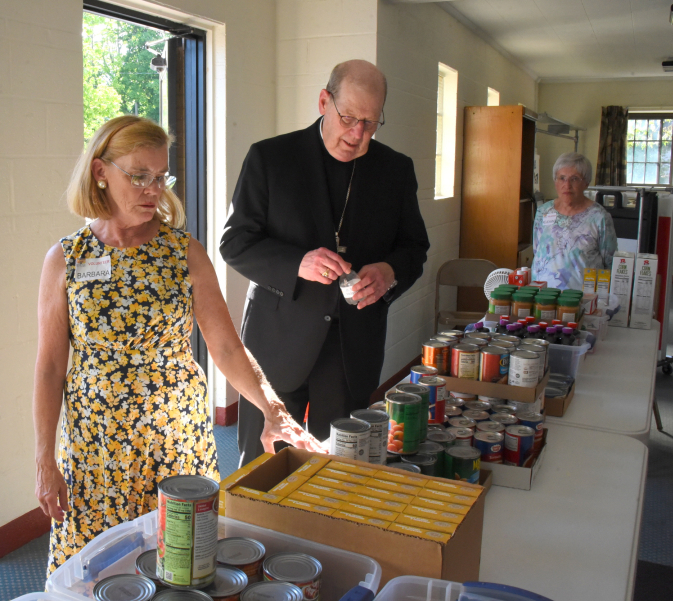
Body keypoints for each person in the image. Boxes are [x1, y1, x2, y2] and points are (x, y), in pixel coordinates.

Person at [33, 116, 323, 574]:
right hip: (97, 445)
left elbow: (226, 347)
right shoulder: (67, 259)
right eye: (139, 176)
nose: (153, 190)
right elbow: (50, 368)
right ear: (100, 172)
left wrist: (273, 411)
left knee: (183, 559)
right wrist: (44, 460)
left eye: (160, 176)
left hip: (175, 437)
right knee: (96, 570)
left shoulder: (182, 252)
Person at [220, 60, 430, 466]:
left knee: (340, 467)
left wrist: (389, 273)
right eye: (348, 118)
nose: (357, 134)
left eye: (370, 123)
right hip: (278, 339)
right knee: (264, 463)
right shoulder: (270, 158)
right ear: (323, 102)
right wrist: (297, 262)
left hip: (352, 345)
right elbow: (235, 243)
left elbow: (414, 247)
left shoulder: (395, 170)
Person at [531, 152, 618, 290]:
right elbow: (537, 251)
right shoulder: (543, 212)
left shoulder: (600, 217)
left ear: (586, 183)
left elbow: (610, 263)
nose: (567, 185)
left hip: (583, 300)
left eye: (575, 179)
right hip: (543, 297)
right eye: (562, 178)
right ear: (555, 181)